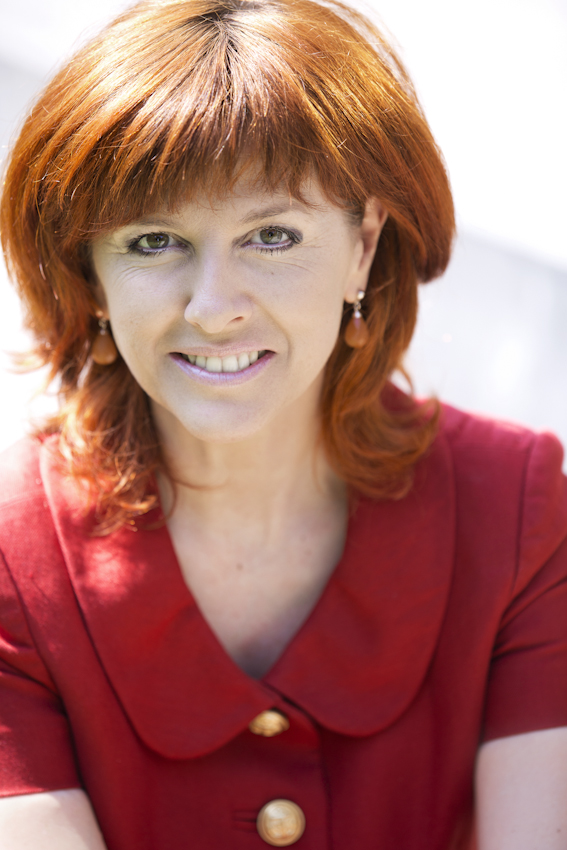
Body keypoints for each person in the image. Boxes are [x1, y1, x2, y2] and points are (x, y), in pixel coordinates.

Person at [0, 0, 566, 847]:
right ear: (91, 277)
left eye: (270, 235)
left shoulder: (515, 508)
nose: (212, 307)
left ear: (363, 246)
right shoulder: (12, 554)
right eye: (153, 241)